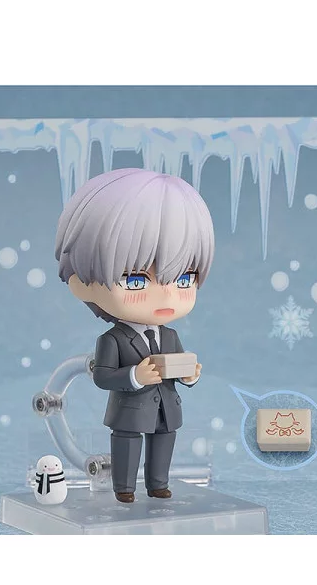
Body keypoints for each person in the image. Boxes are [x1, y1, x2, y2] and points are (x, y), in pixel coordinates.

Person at [55, 168, 214, 503]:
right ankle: (124, 488)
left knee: (163, 443)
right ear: (82, 283)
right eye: (136, 280)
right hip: (129, 410)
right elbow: (102, 377)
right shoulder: (111, 340)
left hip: (166, 411)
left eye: (184, 279)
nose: (166, 295)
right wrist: (135, 376)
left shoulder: (170, 335)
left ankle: (158, 484)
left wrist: (189, 375)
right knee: (127, 444)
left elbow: (179, 368)